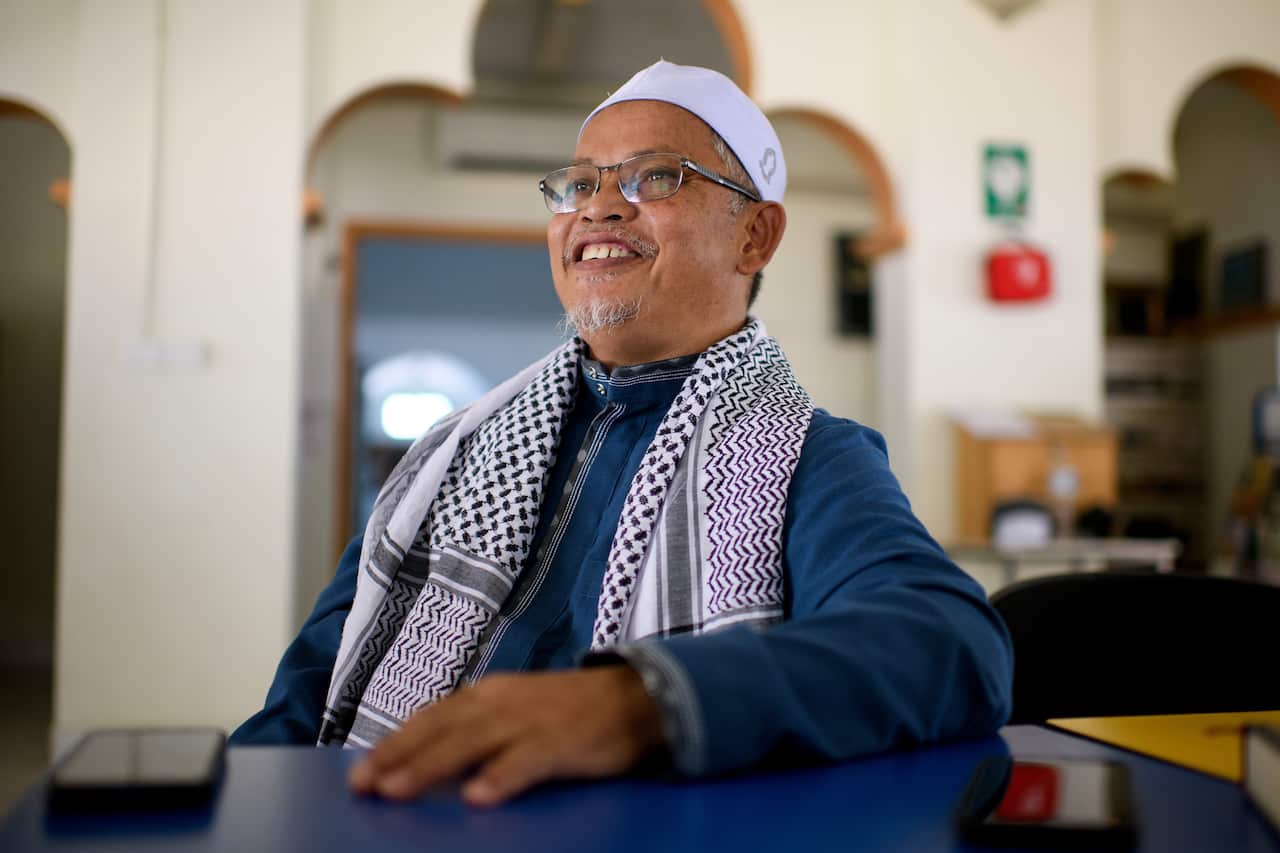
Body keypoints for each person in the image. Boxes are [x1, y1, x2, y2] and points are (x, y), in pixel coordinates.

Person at [233, 60, 1013, 807]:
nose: (598, 206)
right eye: (578, 183)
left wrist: (639, 702)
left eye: (655, 177)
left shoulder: (810, 459)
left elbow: (949, 645)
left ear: (756, 237)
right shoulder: (448, 454)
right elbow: (313, 690)